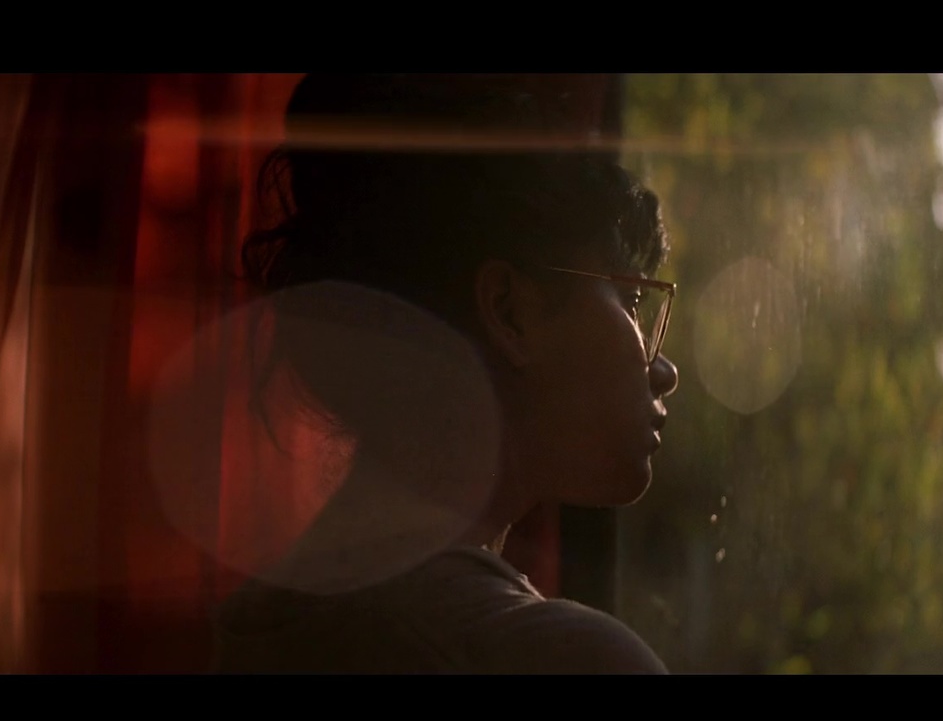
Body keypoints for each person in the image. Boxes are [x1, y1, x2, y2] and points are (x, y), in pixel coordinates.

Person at [213, 74, 680, 673]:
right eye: (632, 301)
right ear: (511, 312)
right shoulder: (556, 656)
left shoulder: (262, 622)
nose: (662, 369)